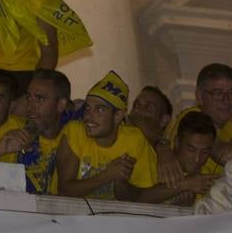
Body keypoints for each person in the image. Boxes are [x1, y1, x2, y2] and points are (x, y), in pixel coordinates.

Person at [55, 71, 157, 201]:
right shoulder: (75, 131)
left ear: (118, 116)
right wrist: (107, 176)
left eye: (99, 109)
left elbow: (143, 198)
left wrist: (121, 182)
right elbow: (64, 191)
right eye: (87, 108)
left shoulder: (134, 140)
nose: (88, 116)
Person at [157, 63, 232, 184]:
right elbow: (223, 154)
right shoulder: (193, 116)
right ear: (199, 96)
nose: (226, 100)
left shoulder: (229, 129)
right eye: (218, 93)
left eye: (231, 93)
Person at [138, 112, 221, 206]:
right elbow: (136, 198)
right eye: (191, 149)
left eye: (205, 152)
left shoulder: (209, 177)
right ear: (177, 142)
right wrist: (185, 184)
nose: (197, 159)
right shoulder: (155, 161)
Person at [16, 69, 72, 194]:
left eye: (39, 99)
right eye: (29, 97)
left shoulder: (76, 135)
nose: (30, 106)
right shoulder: (15, 129)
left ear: (61, 105)